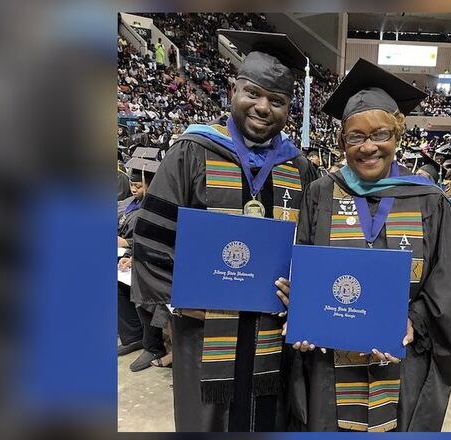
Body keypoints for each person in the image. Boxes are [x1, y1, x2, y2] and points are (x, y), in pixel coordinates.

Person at [130, 29, 319, 432]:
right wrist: (180, 300)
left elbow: (313, 248)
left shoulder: (298, 168)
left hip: (273, 333)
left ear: (289, 108)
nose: (263, 107)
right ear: (233, 90)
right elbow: (150, 240)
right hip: (204, 330)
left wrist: (304, 290)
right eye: (253, 93)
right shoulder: (193, 151)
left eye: (278, 100)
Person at [283, 58, 451, 432]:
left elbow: (447, 285)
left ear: (397, 137)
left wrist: (412, 321)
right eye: (356, 136)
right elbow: (302, 264)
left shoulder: (427, 199)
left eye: (380, 134)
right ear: (342, 142)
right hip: (328, 367)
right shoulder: (321, 193)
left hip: (401, 363)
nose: (368, 147)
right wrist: (301, 311)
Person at [117, 158, 172, 370]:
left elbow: (160, 239)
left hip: (160, 264)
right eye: (131, 184)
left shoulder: (161, 205)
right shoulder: (131, 205)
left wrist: (132, 251)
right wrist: (131, 253)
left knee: (145, 290)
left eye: (138, 185)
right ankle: (133, 336)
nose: (133, 188)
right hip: (140, 256)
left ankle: (154, 346)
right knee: (119, 284)